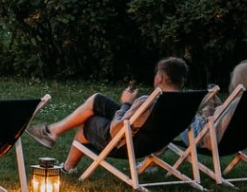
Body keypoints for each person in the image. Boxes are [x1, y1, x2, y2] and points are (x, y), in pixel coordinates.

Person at [28, 57, 189, 170]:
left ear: (159, 78)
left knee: (89, 121)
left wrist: (127, 103)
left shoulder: (149, 101)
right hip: (149, 142)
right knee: (97, 100)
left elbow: (117, 129)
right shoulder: (185, 103)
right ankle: (53, 134)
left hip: (126, 144)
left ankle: (65, 160)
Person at [188, 60, 247, 145]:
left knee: (183, 113)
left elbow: (215, 128)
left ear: (236, 80)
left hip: (202, 137)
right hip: (239, 143)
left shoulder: (237, 103)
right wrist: (220, 108)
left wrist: (207, 114)